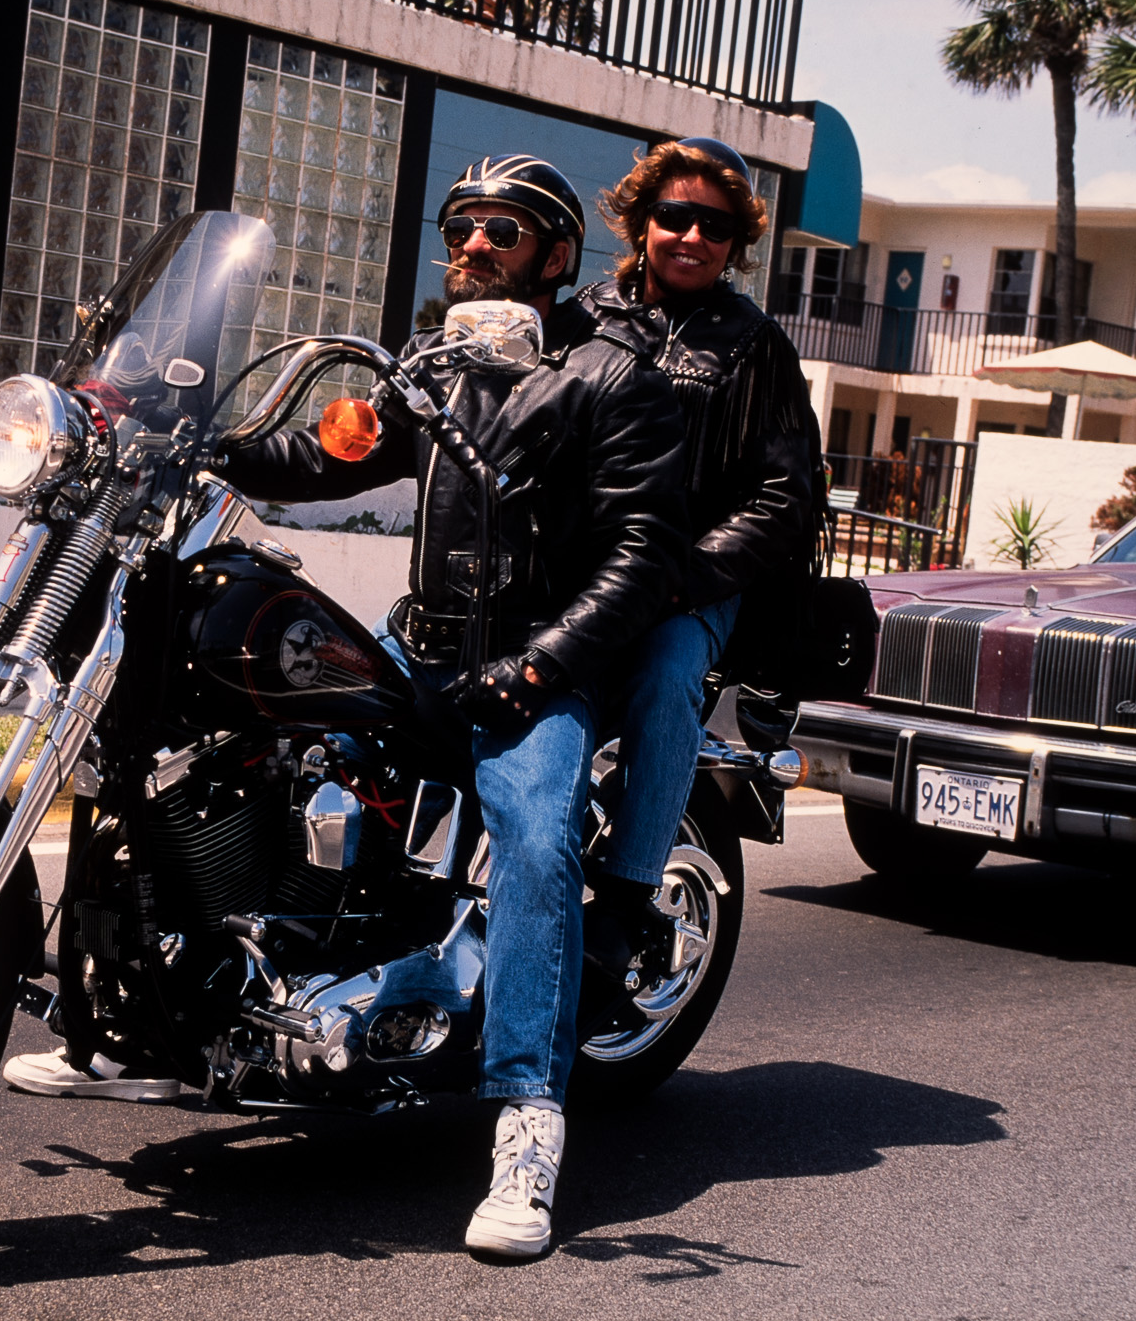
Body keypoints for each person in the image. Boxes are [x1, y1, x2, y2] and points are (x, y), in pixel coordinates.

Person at [225, 155, 687, 1257]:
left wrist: (538, 669)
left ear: (558, 255)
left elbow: (639, 558)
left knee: (535, 846)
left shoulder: (613, 376)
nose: (473, 245)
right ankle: (161, 1015)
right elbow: (333, 454)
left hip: (530, 672)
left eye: (504, 231)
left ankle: (527, 1119)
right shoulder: (432, 365)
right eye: (462, 226)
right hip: (418, 646)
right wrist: (202, 442)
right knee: (246, 735)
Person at [571, 137, 820, 956]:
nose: (692, 236)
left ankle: (627, 898)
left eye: (714, 225)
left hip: (689, 581)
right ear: (642, 220)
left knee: (666, 671)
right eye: (675, 215)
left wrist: (685, 577)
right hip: (578, 566)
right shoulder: (582, 317)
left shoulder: (755, 346)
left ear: (735, 243)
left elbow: (787, 498)